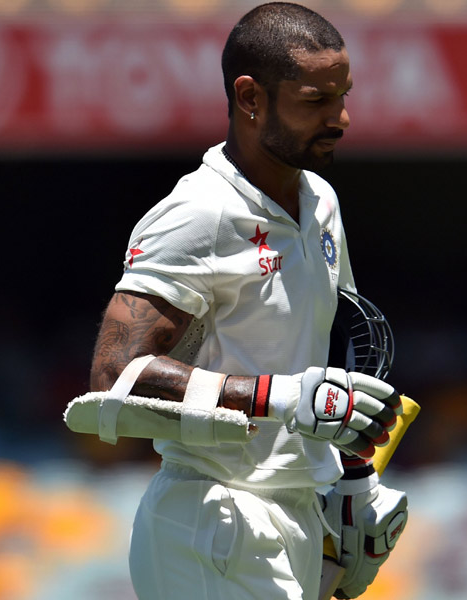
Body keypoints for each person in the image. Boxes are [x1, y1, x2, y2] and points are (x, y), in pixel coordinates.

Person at [86, 3, 407, 599]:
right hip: (213, 514)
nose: (340, 117)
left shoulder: (322, 201)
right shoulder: (198, 214)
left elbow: (342, 356)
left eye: (344, 95)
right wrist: (274, 396)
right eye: (316, 100)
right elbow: (113, 376)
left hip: (297, 509)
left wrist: (356, 484)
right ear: (250, 98)